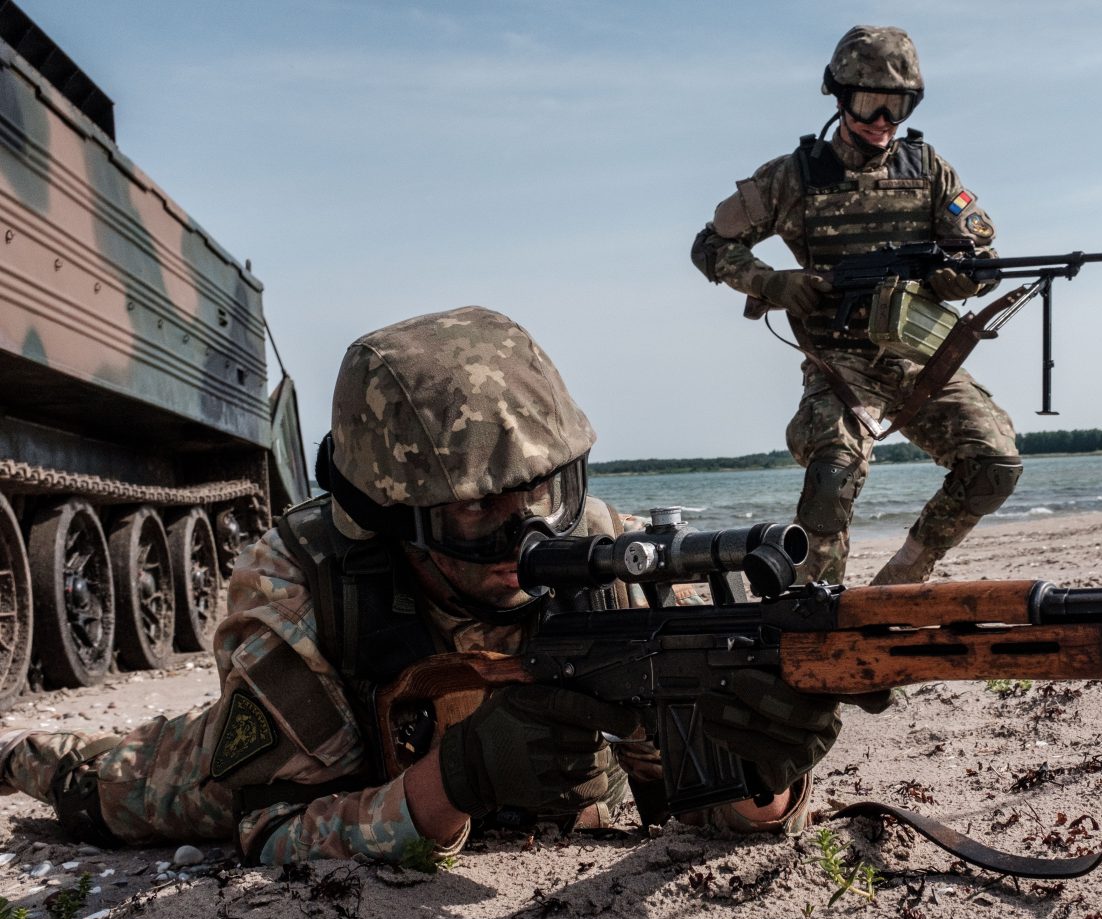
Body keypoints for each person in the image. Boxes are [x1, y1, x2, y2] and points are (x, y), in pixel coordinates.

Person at [0, 307, 846, 864]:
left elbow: (704, 806)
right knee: (112, 780)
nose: (529, 535)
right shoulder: (301, 578)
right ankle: (17, 753)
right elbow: (273, 828)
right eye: (477, 511)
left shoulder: (608, 556)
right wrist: (454, 785)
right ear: (388, 517)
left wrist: (759, 783)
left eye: (546, 490)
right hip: (278, 759)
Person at [690, 25, 1022, 587]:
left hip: (918, 354)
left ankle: (903, 576)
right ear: (840, 97)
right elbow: (709, 245)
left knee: (995, 463)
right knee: (832, 476)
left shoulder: (928, 170)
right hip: (839, 360)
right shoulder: (793, 177)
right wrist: (773, 283)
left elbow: (983, 257)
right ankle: (814, 603)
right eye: (869, 103)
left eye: (897, 106)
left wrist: (956, 280)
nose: (881, 120)